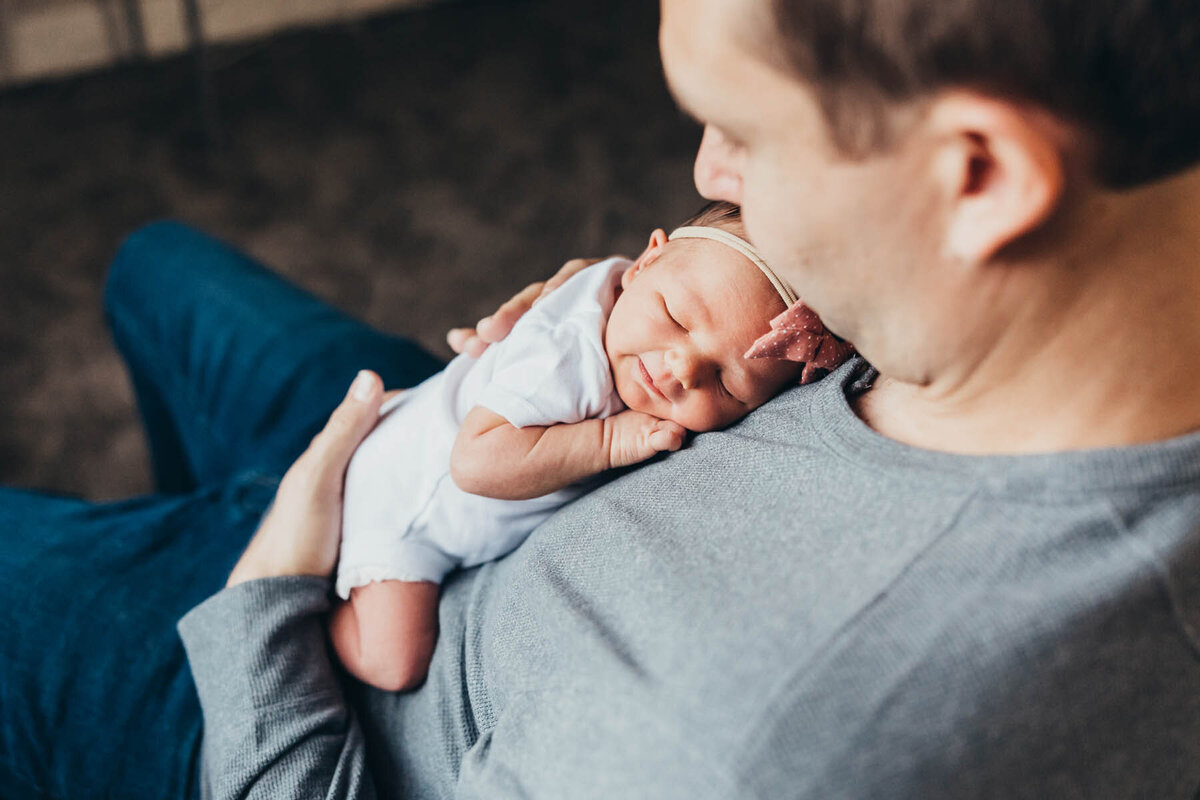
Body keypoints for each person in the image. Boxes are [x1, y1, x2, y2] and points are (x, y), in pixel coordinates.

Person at [3, 0, 1200, 797]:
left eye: (740, 130)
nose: (705, 173)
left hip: (290, 679)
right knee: (154, 266)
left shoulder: (736, 739)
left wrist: (264, 590)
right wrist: (602, 319)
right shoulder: (1022, 313)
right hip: (425, 430)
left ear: (978, 176)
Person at [331, 202, 849, 693]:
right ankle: (322, 607)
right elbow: (473, 463)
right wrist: (607, 440)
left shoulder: (638, 290)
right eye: (675, 317)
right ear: (645, 262)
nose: (682, 369)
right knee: (394, 662)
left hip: (420, 441)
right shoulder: (566, 357)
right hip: (403, 501)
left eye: (727, 384)